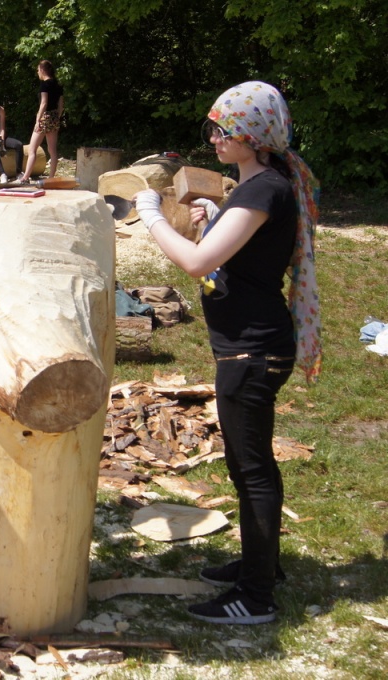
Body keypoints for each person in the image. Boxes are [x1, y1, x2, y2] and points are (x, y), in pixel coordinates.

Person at [133, 81, 321, 625]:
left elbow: (196, 264)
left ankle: (256, 597)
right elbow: (243, 258)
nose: (213, 138)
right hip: (250, 349)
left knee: (253, 471)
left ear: (251, 136)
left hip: (252, 353)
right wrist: (215, 219)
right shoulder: (258, 188)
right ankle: (259, 566)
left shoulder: (264, 191)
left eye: (223, 129)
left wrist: (151, 216)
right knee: (246, 467)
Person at [18, 60, 64, 183]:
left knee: (32, 149)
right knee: (53, 151)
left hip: (44, 117)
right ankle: (51, 178)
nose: (38, 72)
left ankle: (25, 177)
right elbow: (61, 106)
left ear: (43, 70)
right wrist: (57, 117)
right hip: (54, 117)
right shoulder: (58, 85)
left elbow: (43, 103)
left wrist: (38, 120)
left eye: (38, 70)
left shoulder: (44, 85)